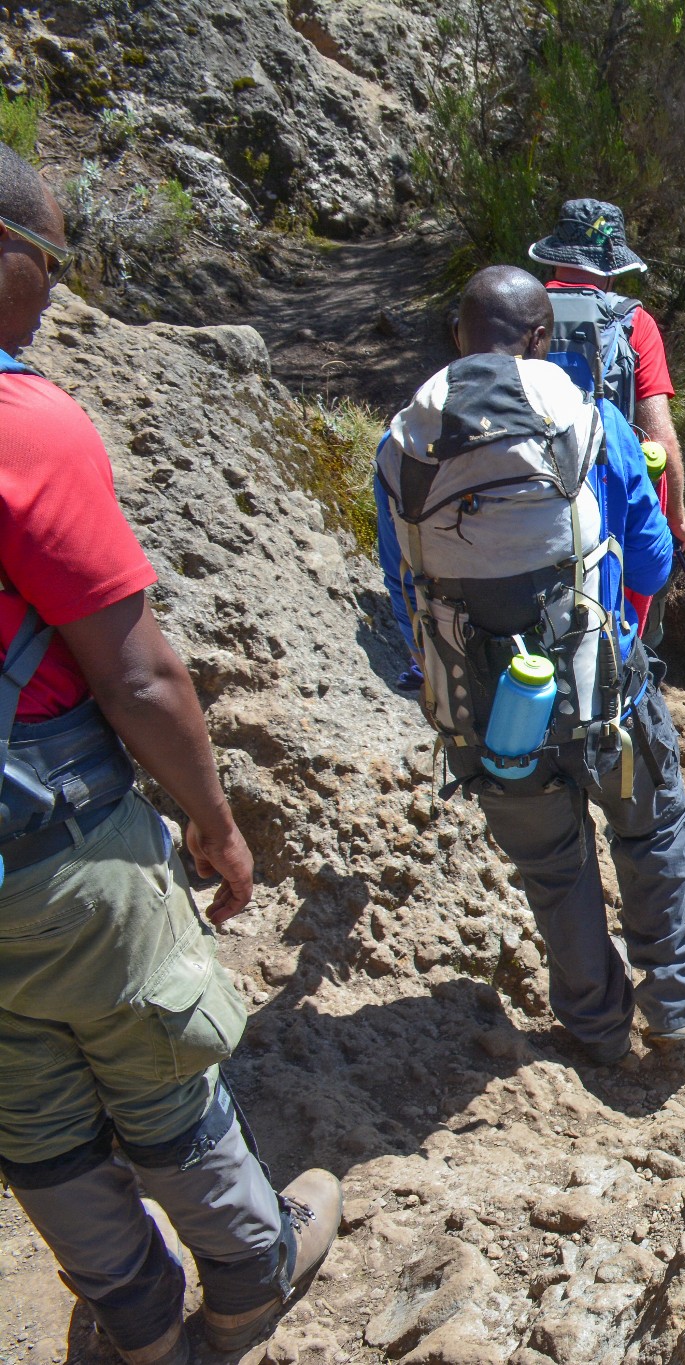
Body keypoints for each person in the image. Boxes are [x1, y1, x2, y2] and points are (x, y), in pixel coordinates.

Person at [0, 144, 340, 1365]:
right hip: (55, 842)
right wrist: (215, 821)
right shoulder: (23, 424)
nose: (51, 292)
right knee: (155, 1066)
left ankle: (132, 1311)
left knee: (28, 1108)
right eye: (47, 261)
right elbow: (138, 675)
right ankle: (248, 1274)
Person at [375, 266, 685, 1064]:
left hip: (486, 712)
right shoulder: (591, 422)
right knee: (650, 829)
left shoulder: (402, 449)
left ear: (456, 336)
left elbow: (403, 589)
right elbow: (648, 564)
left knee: (554, 868)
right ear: (541, 341)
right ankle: (676, 999)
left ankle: (595, 1023)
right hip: (603, 691)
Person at [529, 198, 685, 552]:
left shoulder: (516, 307)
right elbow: (661, 442)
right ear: (613, 267)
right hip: (601, 502)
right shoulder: (634, 324)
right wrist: (676, 519)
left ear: (556, 254)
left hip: (516, 488)